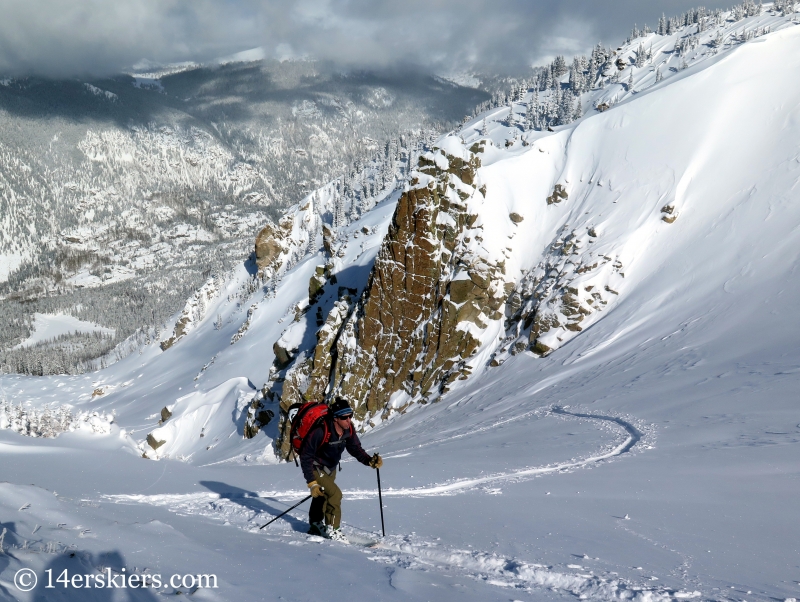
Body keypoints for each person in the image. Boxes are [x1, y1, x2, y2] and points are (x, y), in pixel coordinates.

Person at [299, 397, 382, 542]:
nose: (349, 420)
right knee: (335, 495)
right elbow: (305, 456)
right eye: (345, 417)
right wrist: (312, 482)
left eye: (350, 416)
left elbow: (355, 448)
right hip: (316, 467)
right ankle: (333, 530)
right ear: (335, 418)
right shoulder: (321, 430)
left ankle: (315, 525)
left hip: (331, 468)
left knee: (323, 496)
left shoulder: (347, 429)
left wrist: (369, 461)